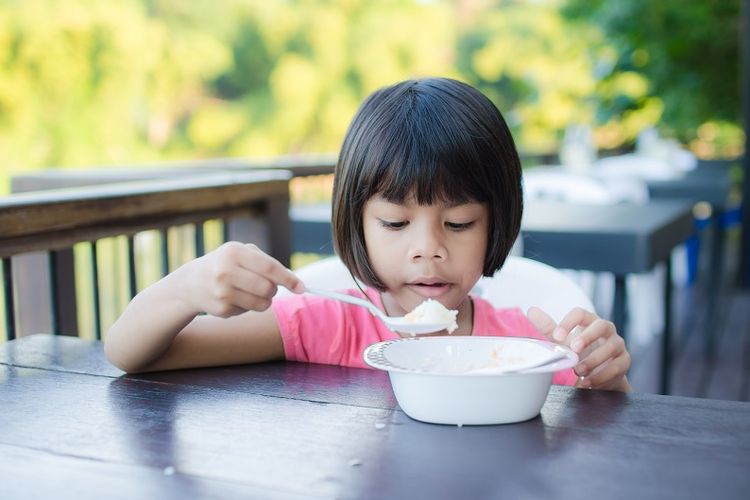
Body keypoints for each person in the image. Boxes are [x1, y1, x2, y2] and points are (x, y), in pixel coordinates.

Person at [105, 77, 631, 391]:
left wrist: (605, 376)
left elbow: (605, 426)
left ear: (498, 222)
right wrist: (184, 289)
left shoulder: (527, 346)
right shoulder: (330, 325)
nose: (428, 248)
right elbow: (131, 354)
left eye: (459, 223)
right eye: (396, 223)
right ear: (356, 223)